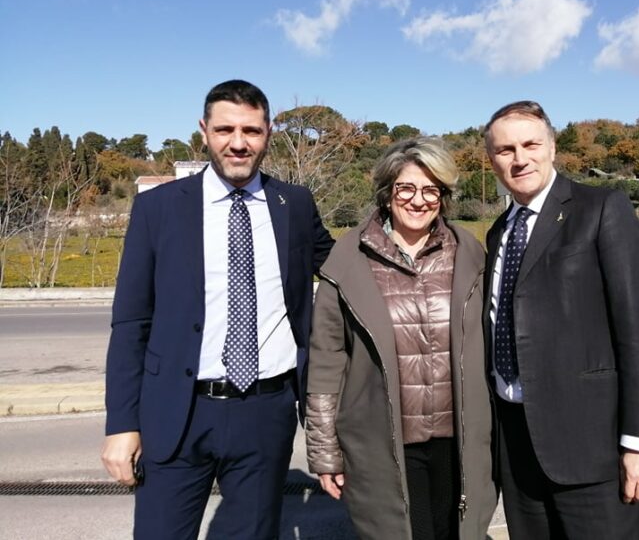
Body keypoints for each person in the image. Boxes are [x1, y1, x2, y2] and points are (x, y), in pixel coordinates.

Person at [100, 79, 334, 539]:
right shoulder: (157, 208)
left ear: (268, 133)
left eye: (252, 131)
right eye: (226, 129)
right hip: (176, 410)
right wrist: (122, 424)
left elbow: (346, 268)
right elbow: (131, 323)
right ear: (204, 130)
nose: (238, 143)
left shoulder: (294, 203)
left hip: (265, 412)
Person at [483, 101, 639, 539]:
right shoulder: (498, 232)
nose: (520, 158)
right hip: (517, 448)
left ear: (552, 147)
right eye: (506, 150)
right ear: (492, 160)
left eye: (530, 144)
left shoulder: (602, 208)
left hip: (591, 449)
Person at [305, 138, 496, 540]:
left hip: (459, 443)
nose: (418, 200)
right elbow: (326, 363)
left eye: (431, 190)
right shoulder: (348, 258)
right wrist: (324, 453)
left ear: (443, 197)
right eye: (406, 188)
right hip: (383, 444)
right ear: (387, 191)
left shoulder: (469, 253)